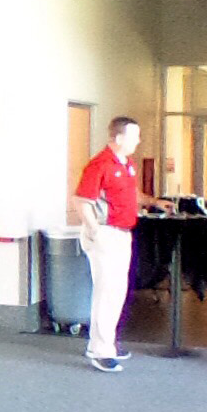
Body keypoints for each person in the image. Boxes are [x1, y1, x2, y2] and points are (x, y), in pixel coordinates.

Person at [71, 115, 146, 372]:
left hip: (123, 233)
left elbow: (130, 194)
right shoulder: (100, 164)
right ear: (120, 137)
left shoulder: (127, 164)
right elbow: (81, 201)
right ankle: (101, 349)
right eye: (134, 136)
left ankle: (105, 342)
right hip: (106, 233)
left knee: (116, 291)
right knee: (107, 291)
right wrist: (95, 231)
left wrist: (154, 202)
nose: (138, 140)